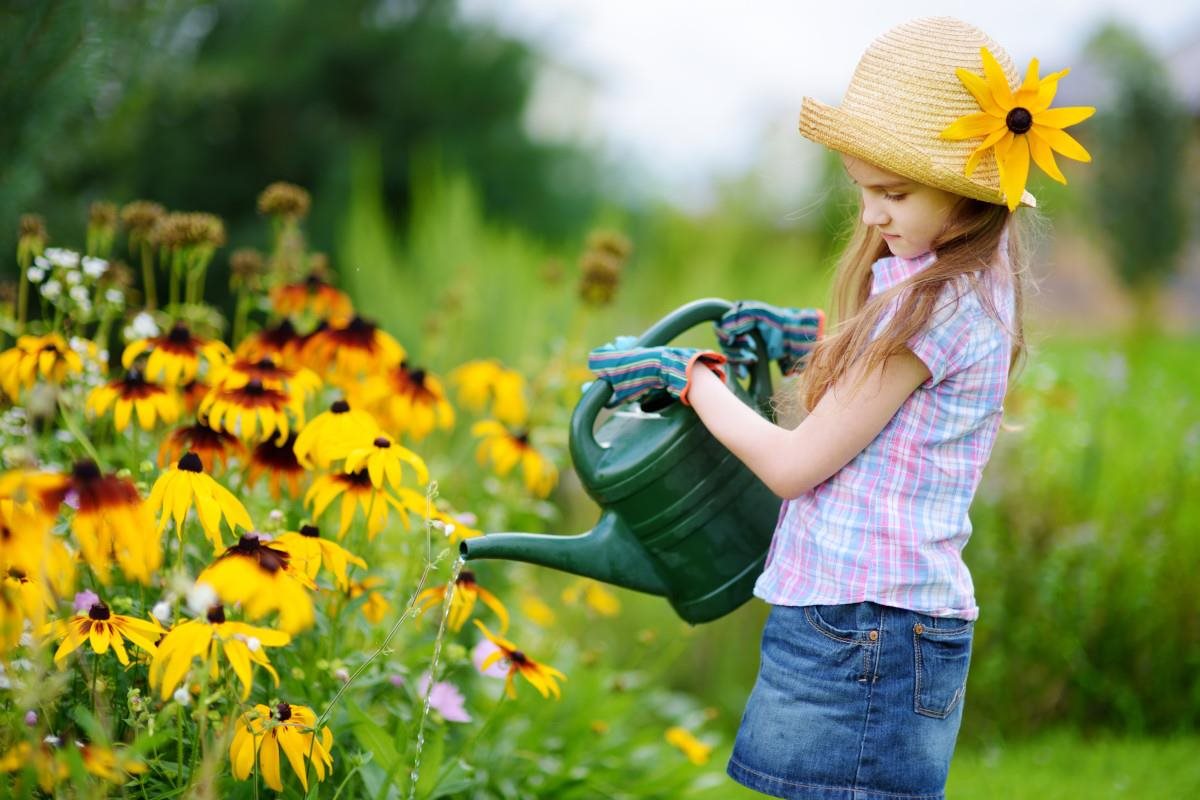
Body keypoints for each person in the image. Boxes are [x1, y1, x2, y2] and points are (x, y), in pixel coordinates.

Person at [588, 16, 1093, 800]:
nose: (870, 216)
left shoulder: (922, 309)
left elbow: (793, 466)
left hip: (863, 631)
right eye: (861, 190)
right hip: (873, 624)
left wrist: (692, 379)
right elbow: (892, 398)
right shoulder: (966, 283)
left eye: (893, 193)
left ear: (968, 190)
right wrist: (808, 342)